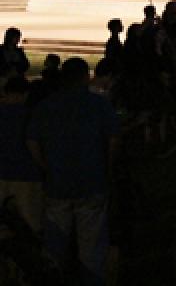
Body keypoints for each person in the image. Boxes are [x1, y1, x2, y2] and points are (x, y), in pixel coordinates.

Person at [27, 57, 119, 286]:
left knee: (55, 245)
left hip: (58, 183)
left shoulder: (47, 105)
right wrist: (107, 168)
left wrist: (45, 167)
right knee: (91, 248)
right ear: (85, 77)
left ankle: (54, 279)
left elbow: (32, 141)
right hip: (92, 181)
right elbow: (113, 140)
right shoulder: (99, 105)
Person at [0, 75, 44, 233]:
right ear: (25, 94)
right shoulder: (33, 115)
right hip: (27, 174)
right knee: (29, 225)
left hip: (3, 172)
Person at [0, 27, 30, 92]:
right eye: (16, 37)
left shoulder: (19, 51)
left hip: (17, 75)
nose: (18, 40)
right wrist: (7, 72)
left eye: (19, 37)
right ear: (9, 37)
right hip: (4, 76)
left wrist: (17, 71)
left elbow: (26, 64)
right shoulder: (1, 50)